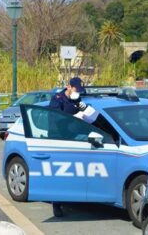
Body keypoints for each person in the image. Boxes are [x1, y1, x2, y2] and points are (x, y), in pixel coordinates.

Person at [48, 77, 86, 218]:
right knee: (60, 172)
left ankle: (73, 199)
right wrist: (76, 116)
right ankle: (56, 204)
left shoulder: (76, 99)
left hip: (73, 139)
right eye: (77, 89)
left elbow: (82, 107)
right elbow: (56, 117)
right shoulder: (57, 99)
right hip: (58, 139)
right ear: (69, 87)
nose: (78, 92)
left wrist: (84, 110)